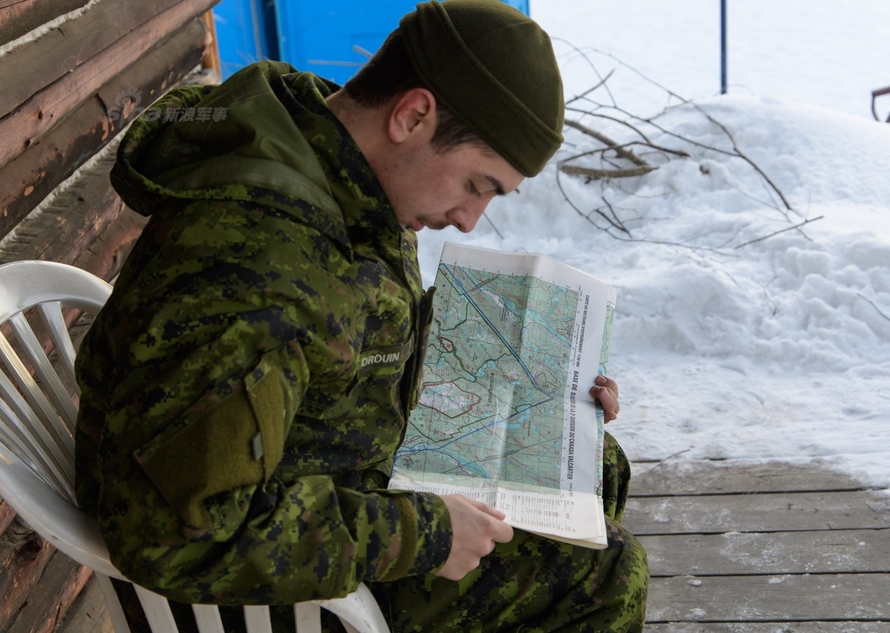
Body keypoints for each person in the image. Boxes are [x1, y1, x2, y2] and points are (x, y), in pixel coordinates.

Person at [74, 0, 649, 631]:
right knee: (604, 573)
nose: (468, 219)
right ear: (412, 116)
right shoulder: (253, 271)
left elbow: (347, 329)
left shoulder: (339, 166)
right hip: (276, 590)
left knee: (595, 466)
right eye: (476, 185)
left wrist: (540, 389)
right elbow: (178, 536)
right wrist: (424, 534)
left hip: (337, 475)